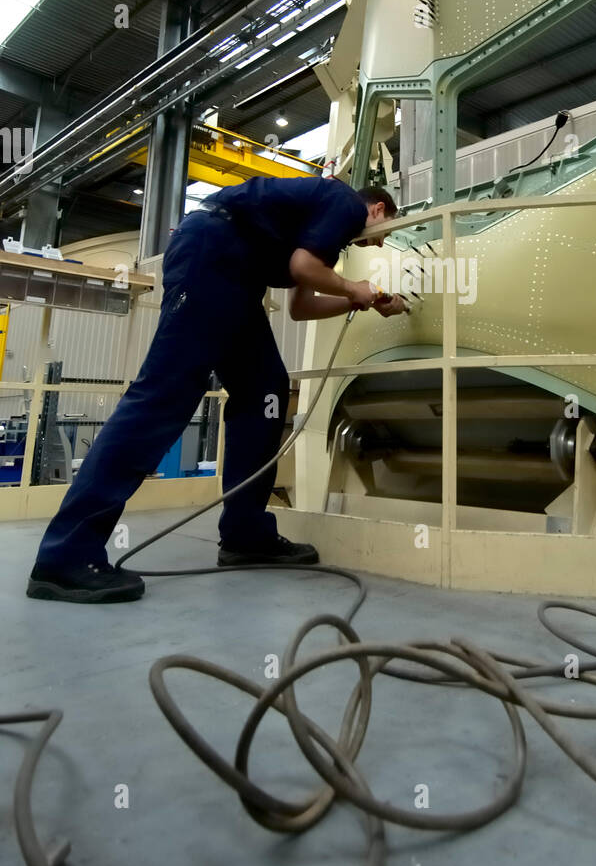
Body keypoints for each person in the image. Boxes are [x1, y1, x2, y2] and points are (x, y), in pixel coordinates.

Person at [26, 177, 404, 604]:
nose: (376, 244)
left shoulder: (321, 232)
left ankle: (245, 535)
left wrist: (360, 300)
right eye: (384, 230)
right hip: (213, 254)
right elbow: (302, 269)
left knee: (266, 389)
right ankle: (64, 557)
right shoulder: (343, 202)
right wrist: (356, 288)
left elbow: (302, 307)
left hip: (236, 275)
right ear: (376, 209)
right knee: (164, 394)